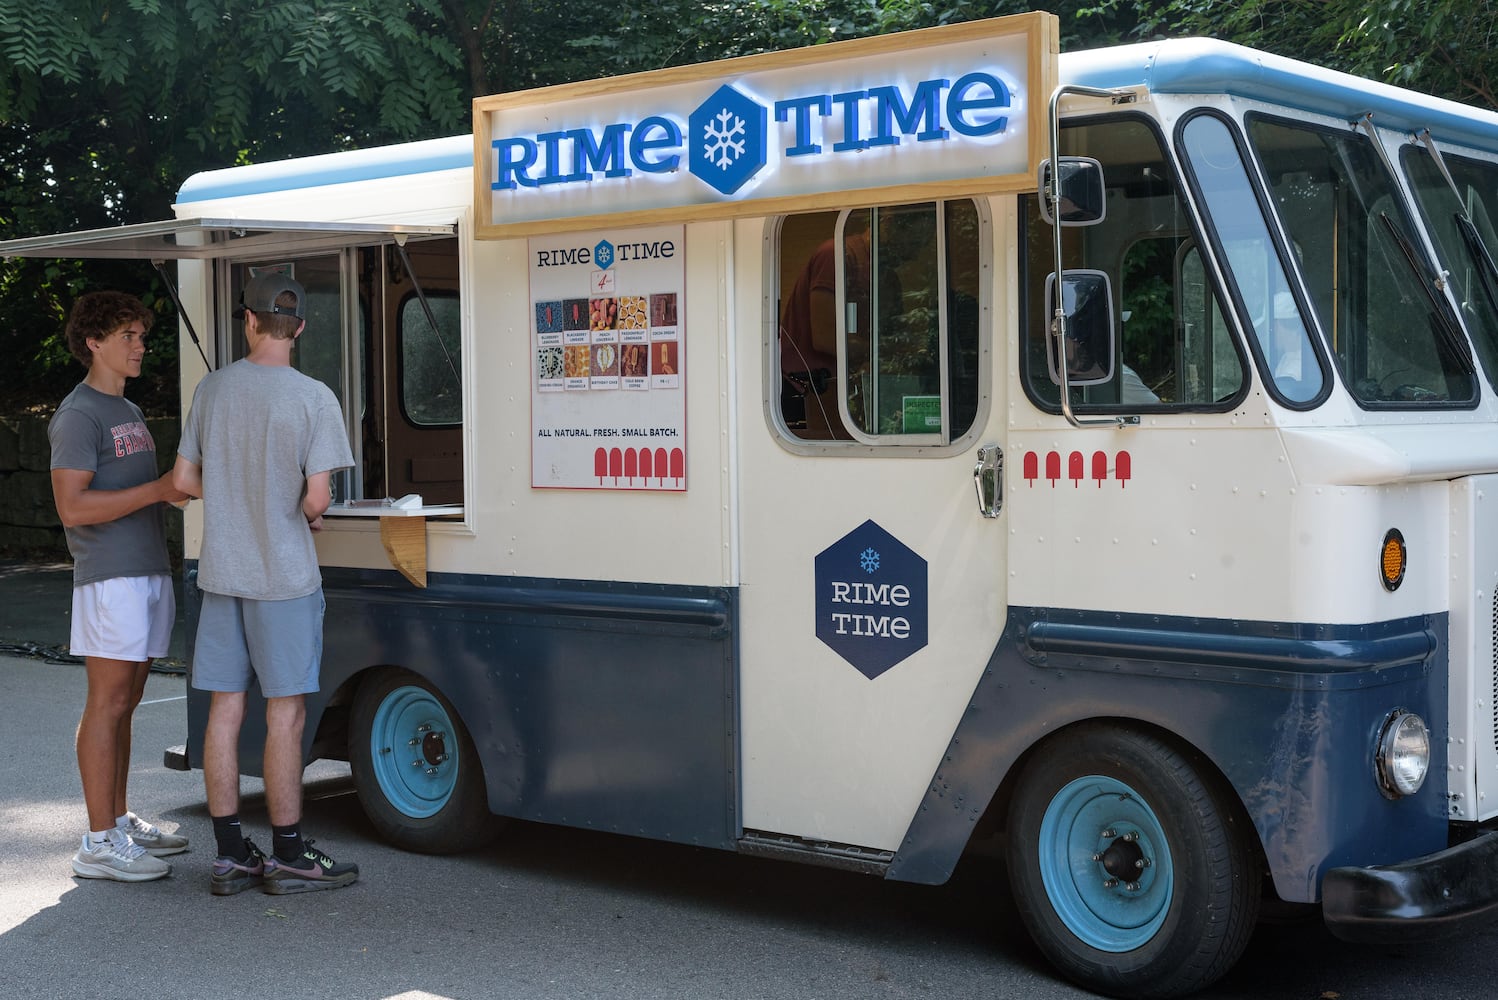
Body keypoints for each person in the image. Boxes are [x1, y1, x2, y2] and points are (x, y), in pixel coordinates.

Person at [172, 273, 358, 896]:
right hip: (285, 578)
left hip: (222, 573)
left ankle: (228, 854)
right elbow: (316, 497)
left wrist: (232, 494)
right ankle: (287, 854)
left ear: (248, 321)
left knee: (225, 709)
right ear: (300, 328)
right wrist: (304, 511)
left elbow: (183, 479)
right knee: (286, 713)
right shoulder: (315, 397)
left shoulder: (213, 389)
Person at [48, 291, 192, 882]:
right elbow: (72, 508)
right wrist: (159, 491)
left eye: (141, 334)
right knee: (106, 704)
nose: (141, 344)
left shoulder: (126, 411)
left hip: (147, 571)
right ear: (94, 342)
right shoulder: (78, 415)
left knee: (126, 703)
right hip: (111, 580)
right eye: (129, 335)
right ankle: (97, 842)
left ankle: (117, 817)